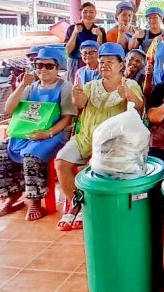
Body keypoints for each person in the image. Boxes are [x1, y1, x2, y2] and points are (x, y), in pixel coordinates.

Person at [55, 43, 143, 231]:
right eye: (102, 62)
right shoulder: (91, 85)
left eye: (110, 62)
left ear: (121, 65)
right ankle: (75, 203)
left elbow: (140, 109)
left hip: (114, 144)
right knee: (61, 162)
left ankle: (92, 209)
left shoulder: (131, 85)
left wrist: (129, 96)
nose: (105, 65)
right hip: (86, 137)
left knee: (95, 170)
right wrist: (76, 95)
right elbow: (80, 104)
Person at [0, 47, 76, 222]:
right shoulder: (31, 87)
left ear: (57, 68)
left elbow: (68, 119)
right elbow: (9, 109)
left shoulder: (65, 87)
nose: (43, 69)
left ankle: (35, 199)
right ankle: (11, 196)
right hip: (26, 133)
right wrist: (22, 85)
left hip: (54, 135)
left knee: (32, 156)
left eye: (48, 66)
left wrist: (47, 133)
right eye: (39, 65)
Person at [64, 1, 106, 82]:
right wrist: (75, 33)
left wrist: (99, 36)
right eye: (85, 12)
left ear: (95, 14)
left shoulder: (100, 30)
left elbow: (101, 52)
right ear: (80, 13)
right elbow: (67, 51)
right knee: (77, 87)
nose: (88, 15)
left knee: (95, 87)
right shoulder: (72, 28)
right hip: (76, 63)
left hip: (94, 64)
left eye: (91, 12)